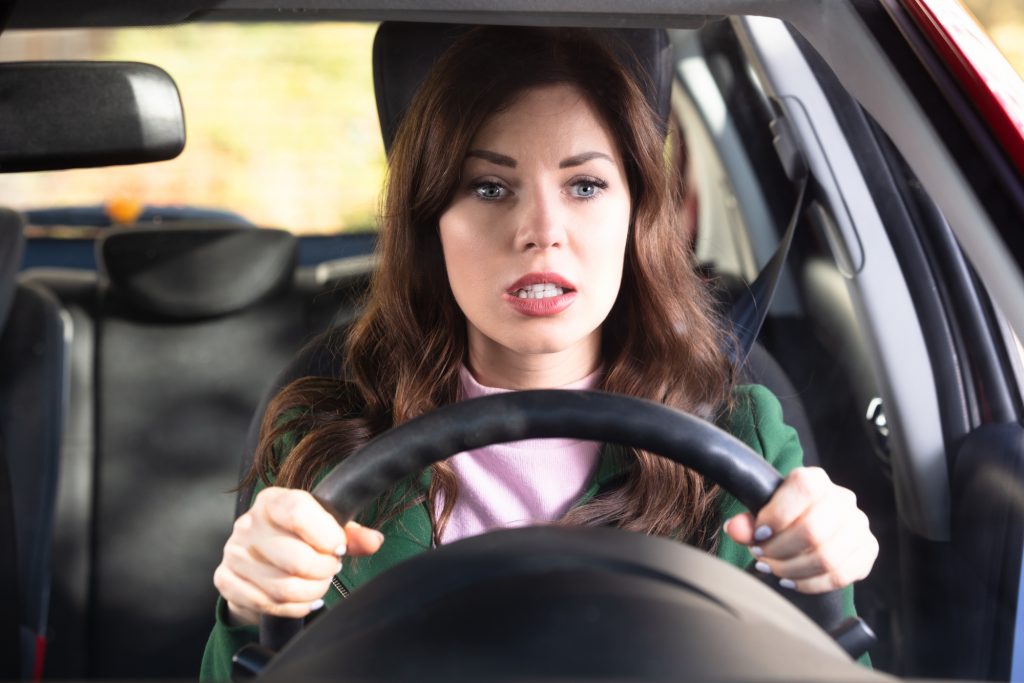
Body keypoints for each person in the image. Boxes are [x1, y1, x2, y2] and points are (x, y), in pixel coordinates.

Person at [200, 25, 878, 680]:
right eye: (490, 187)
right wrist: (248, 605)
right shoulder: (321, 444)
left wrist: (825, 571)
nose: (541, 232)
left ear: (637, 214)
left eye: (584, 185)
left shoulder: (742, 436)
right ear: (432, 222)